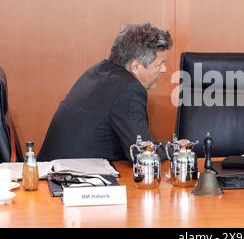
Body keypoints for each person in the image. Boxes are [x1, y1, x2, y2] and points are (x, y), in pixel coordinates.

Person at [38, 23, 172, 162]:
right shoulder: (128, 90)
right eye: (159, 64)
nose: (164, 69)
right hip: (72, 178)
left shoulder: (99, 71)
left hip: (51, 170)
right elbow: (143, 155)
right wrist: (173, 149)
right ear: (136, 67)